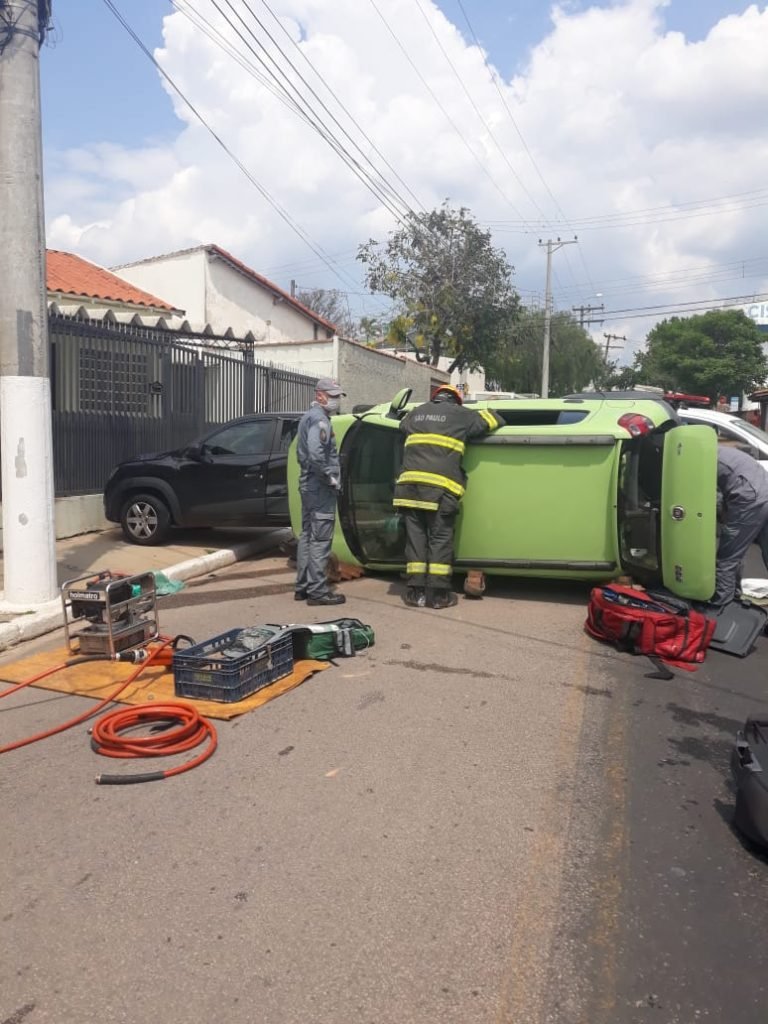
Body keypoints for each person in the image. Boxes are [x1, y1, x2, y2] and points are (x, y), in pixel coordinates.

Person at [393, 384, 504, 609]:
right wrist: (488, 407)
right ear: (456, 400)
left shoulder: (416, 413)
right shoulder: (462, 415)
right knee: (439, 540)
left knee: (416, 541)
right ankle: (438, 595)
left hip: (408, 489)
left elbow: (401, 424)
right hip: (440, 491)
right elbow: (495, 420)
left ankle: (415, 593)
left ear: (436, 397)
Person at [295, 378, 347, 606]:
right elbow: (317, 454)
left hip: (309, 485)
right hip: (320, 488)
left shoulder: (309, 417)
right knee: (320, 539)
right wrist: (331, 477)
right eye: (332, 395)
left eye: (337, 396)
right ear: (319, 395)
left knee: (307, 536)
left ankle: (304, 587)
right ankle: (317, 592)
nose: (335, 400)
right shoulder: (319, 420)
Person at [712, 445, 768, 607]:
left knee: (728, 558)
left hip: (750, 499)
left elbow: (714, 498)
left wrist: (722, 518)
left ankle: (723, 606)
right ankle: (733, 596)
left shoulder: (703, 459)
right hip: (764, 490)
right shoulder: (722, 451)